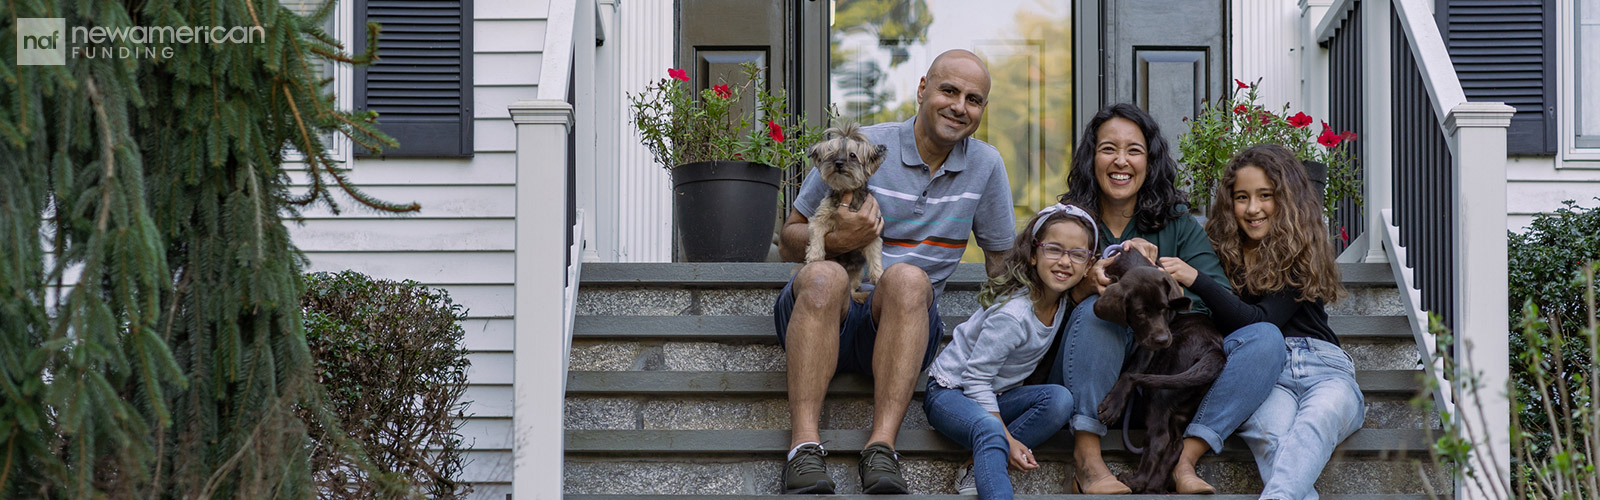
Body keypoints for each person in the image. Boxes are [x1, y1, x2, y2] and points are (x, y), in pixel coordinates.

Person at [772, 49, 1015, 495]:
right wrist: (841, 240)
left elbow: (1002, 267)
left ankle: (881, 448)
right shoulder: (860, 148)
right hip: (828, 311)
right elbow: (788, 239)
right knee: (824, 276)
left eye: (974, 99)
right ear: (922, 89)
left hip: (903, 325)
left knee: (906, 278)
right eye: (949, 90)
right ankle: (803, 449)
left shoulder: (986, 165)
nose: (960, 106)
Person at [1029, 103, 1286, 494]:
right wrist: (1085, 285)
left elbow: (1215, 304)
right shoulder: (1069, 221)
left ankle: (1185, 457)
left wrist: (1162, 283)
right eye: (1108, 149)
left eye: (1134, 150)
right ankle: (1087, 458)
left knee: (1265, 339)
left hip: (1166, 374)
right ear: (1091, 157)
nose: (1121, 161)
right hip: (1093, 380)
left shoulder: (1177, 221)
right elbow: (1034, 305)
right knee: (1098, 311)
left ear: (1150, 161)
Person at [1159, 144, 1363, 500]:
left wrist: (1196, 279)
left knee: (1315, 424)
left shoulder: (1301, 247)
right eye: (1241, 197)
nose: (1253, 209)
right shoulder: (1221, 252)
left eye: (1265, 196)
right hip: (1267, 377)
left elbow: (1260, 320)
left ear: (1286, 199)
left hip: (1325, 367)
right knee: (1272, 441)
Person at [923, 204, 1097, 499]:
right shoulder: (1013, 315)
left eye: (1077, 254)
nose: (1065, 262)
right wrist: (1009, 440)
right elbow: (976, 380)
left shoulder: (1060, 298)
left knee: (1059, 400)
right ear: (1032, 255)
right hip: (950, 393)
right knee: (990, 430)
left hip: (997, 396)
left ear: (1088, 264)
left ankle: (975, 465)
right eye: (1054, 250)